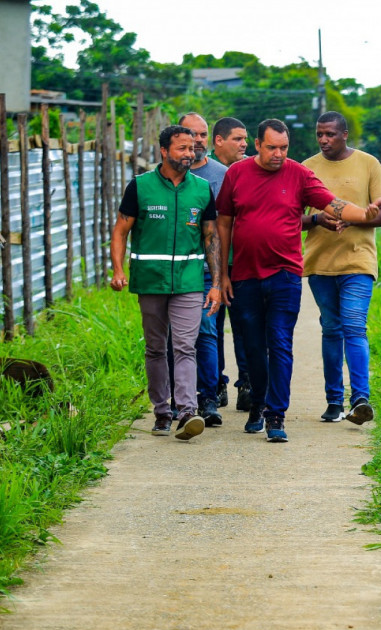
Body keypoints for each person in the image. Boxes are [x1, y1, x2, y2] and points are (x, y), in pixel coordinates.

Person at [216, 118, 381, 443]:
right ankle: (258, 403)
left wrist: (363, 215)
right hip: (245, 275)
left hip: (285, 274)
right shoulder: (236, 175)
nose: (278, 154)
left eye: (283, 147)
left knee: (280, 343)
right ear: (257, 145)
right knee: (253, 347)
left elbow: (332, 203)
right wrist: (222, 274)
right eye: (272, 148)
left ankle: (276, 414)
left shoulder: (298, 173)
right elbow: (224, 225)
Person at [110, 125, 221, 441]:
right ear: (163, 151)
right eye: (182, 148)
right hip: (150, 281)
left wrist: (215, 282)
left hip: (188, 281)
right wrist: (118, 270)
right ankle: (162, 411)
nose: (189, 154)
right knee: (157, 348)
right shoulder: (140, 187)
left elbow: (211, 236)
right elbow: (120, 231)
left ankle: (187, 410)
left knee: (185, 345)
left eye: (191, 148)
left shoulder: (201, 189)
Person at [302, 112, 381, 425]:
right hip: (320, 262)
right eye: (320, 134)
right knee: (331, 329)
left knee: (354, 325)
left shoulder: (368, 164)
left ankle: (360, 399)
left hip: (358, 260)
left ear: (344, 134)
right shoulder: (306, 168)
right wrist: (317, 219)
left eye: (330, 134)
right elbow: (291, 217)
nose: (324, 140)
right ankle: (333, 401)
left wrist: (353, 217)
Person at [178, 112, 228, 428]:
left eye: (203, 134)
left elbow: (223, 228)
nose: (198, 140)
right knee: (175, 337)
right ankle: (178, 398)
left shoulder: (223, 175)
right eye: (191, 134)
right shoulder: (163, 177)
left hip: (207, 268)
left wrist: (222, 275)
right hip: (172, 268)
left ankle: (207, 397)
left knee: (206, 332)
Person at [209, 117, 252, 413]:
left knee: (244, 325)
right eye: (237, 139)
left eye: (245, 139)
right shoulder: (202, 171)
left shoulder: (249, 170)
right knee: (210, 326)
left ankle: (246, 385)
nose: (244, 144)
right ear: (218, 141)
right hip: (208, 264)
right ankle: (215, 383)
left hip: (241, 262)